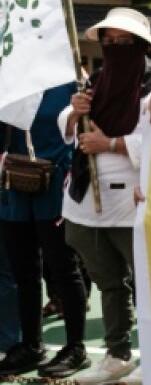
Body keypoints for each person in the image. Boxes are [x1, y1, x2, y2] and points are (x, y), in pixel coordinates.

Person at [58, 8, 151, 384]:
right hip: (85, 197)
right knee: (108, 282)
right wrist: (75, 112)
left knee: (149, 283)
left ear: (141, 44)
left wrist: (111, 143)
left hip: (131, 199)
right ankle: (117, 354)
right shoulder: (96, 79)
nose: (115, 47)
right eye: (109, 41)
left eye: (125, 41)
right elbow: (68, 122)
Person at [0, 83, 89, 378]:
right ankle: (31, 344)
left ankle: (76, 346)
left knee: (63, 266)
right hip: (15, 180)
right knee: (24, 270)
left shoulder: (68, 83)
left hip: (55, 180)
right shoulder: (9, 80)